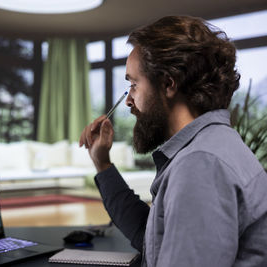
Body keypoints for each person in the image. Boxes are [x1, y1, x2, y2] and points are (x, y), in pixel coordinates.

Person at [79, 15, 267, 267]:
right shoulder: (211, 146)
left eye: (134, 84)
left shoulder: (201, 165)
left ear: (168, 83)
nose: (127, 101)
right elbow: (151, 238)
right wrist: (102, 163)